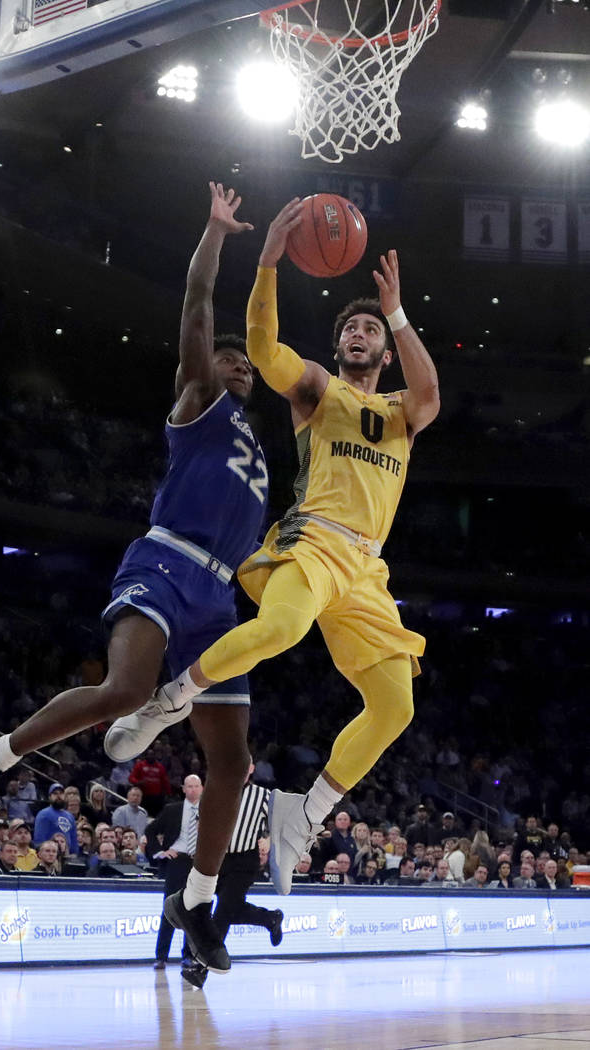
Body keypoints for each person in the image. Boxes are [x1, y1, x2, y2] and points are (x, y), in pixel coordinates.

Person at [0, 182, 259, 974]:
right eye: (231, 356)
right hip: (168, 561)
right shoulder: (198, 403)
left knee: (235, 764)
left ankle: (197, 903)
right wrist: (216, 234)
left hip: (221, 597)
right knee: (123, 690)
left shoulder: (256, 453)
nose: (241, 364)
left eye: (248, 362)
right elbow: (197, 302)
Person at [140, 198, 440, 896]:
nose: (360, 334)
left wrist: (397, 311)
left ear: (385, 347)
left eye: (370, 328)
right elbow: (264, 346)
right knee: (279, 628)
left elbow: (429, 393)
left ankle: (303, 817)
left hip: (365, 569)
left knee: (396, 706)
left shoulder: (400, 412)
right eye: (353, 327)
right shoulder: (318, 389)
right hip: (312, 542)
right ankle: (173, 697)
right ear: (340, 348)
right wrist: (270, 259)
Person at [181, 764, 283, 989]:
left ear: (251, 769)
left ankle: (202, 967)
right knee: (226, 909)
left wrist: (267, 838)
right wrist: (195, 853)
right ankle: (270, 918)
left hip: (245, 861)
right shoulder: (216, 790)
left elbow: (275, 826)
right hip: (217, 858)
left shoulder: (263, 795)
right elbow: (199, 821)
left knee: (224, 911)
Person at [145, 775, 203, 972]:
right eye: (190, 786)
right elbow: (150, 830)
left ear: (202, 788)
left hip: (199, 863)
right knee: (169, 909)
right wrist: (161, 851)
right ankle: (161, 956)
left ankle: (188, 956)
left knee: (193, 910)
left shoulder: (210, 810)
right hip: (177, 860)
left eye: (196, 786)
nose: (193, 790)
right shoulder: (172, 810)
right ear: (183, 789)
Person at [33, 783, 77, 854]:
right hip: (50, 854)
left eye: (61, 793)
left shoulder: (70, 816)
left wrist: (75, 854)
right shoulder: (44, 814)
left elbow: (74, 839)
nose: (58, 796)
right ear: (50, 797)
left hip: (67, 855)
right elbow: (39, 840)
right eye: (55, 794)